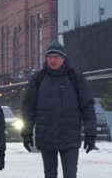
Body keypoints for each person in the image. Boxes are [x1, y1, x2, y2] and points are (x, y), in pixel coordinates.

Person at [21, 41, 96, 178]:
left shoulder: (75, 78)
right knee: (49, 175)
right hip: (46, 138)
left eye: (56, 56)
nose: (53, 60)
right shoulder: (38, 79)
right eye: (50, 57)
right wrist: (26, 132)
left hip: (70, 138)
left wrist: (91, 134)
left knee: (70, 174)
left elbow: (87, 107)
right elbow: (28, 108)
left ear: (64, 58)